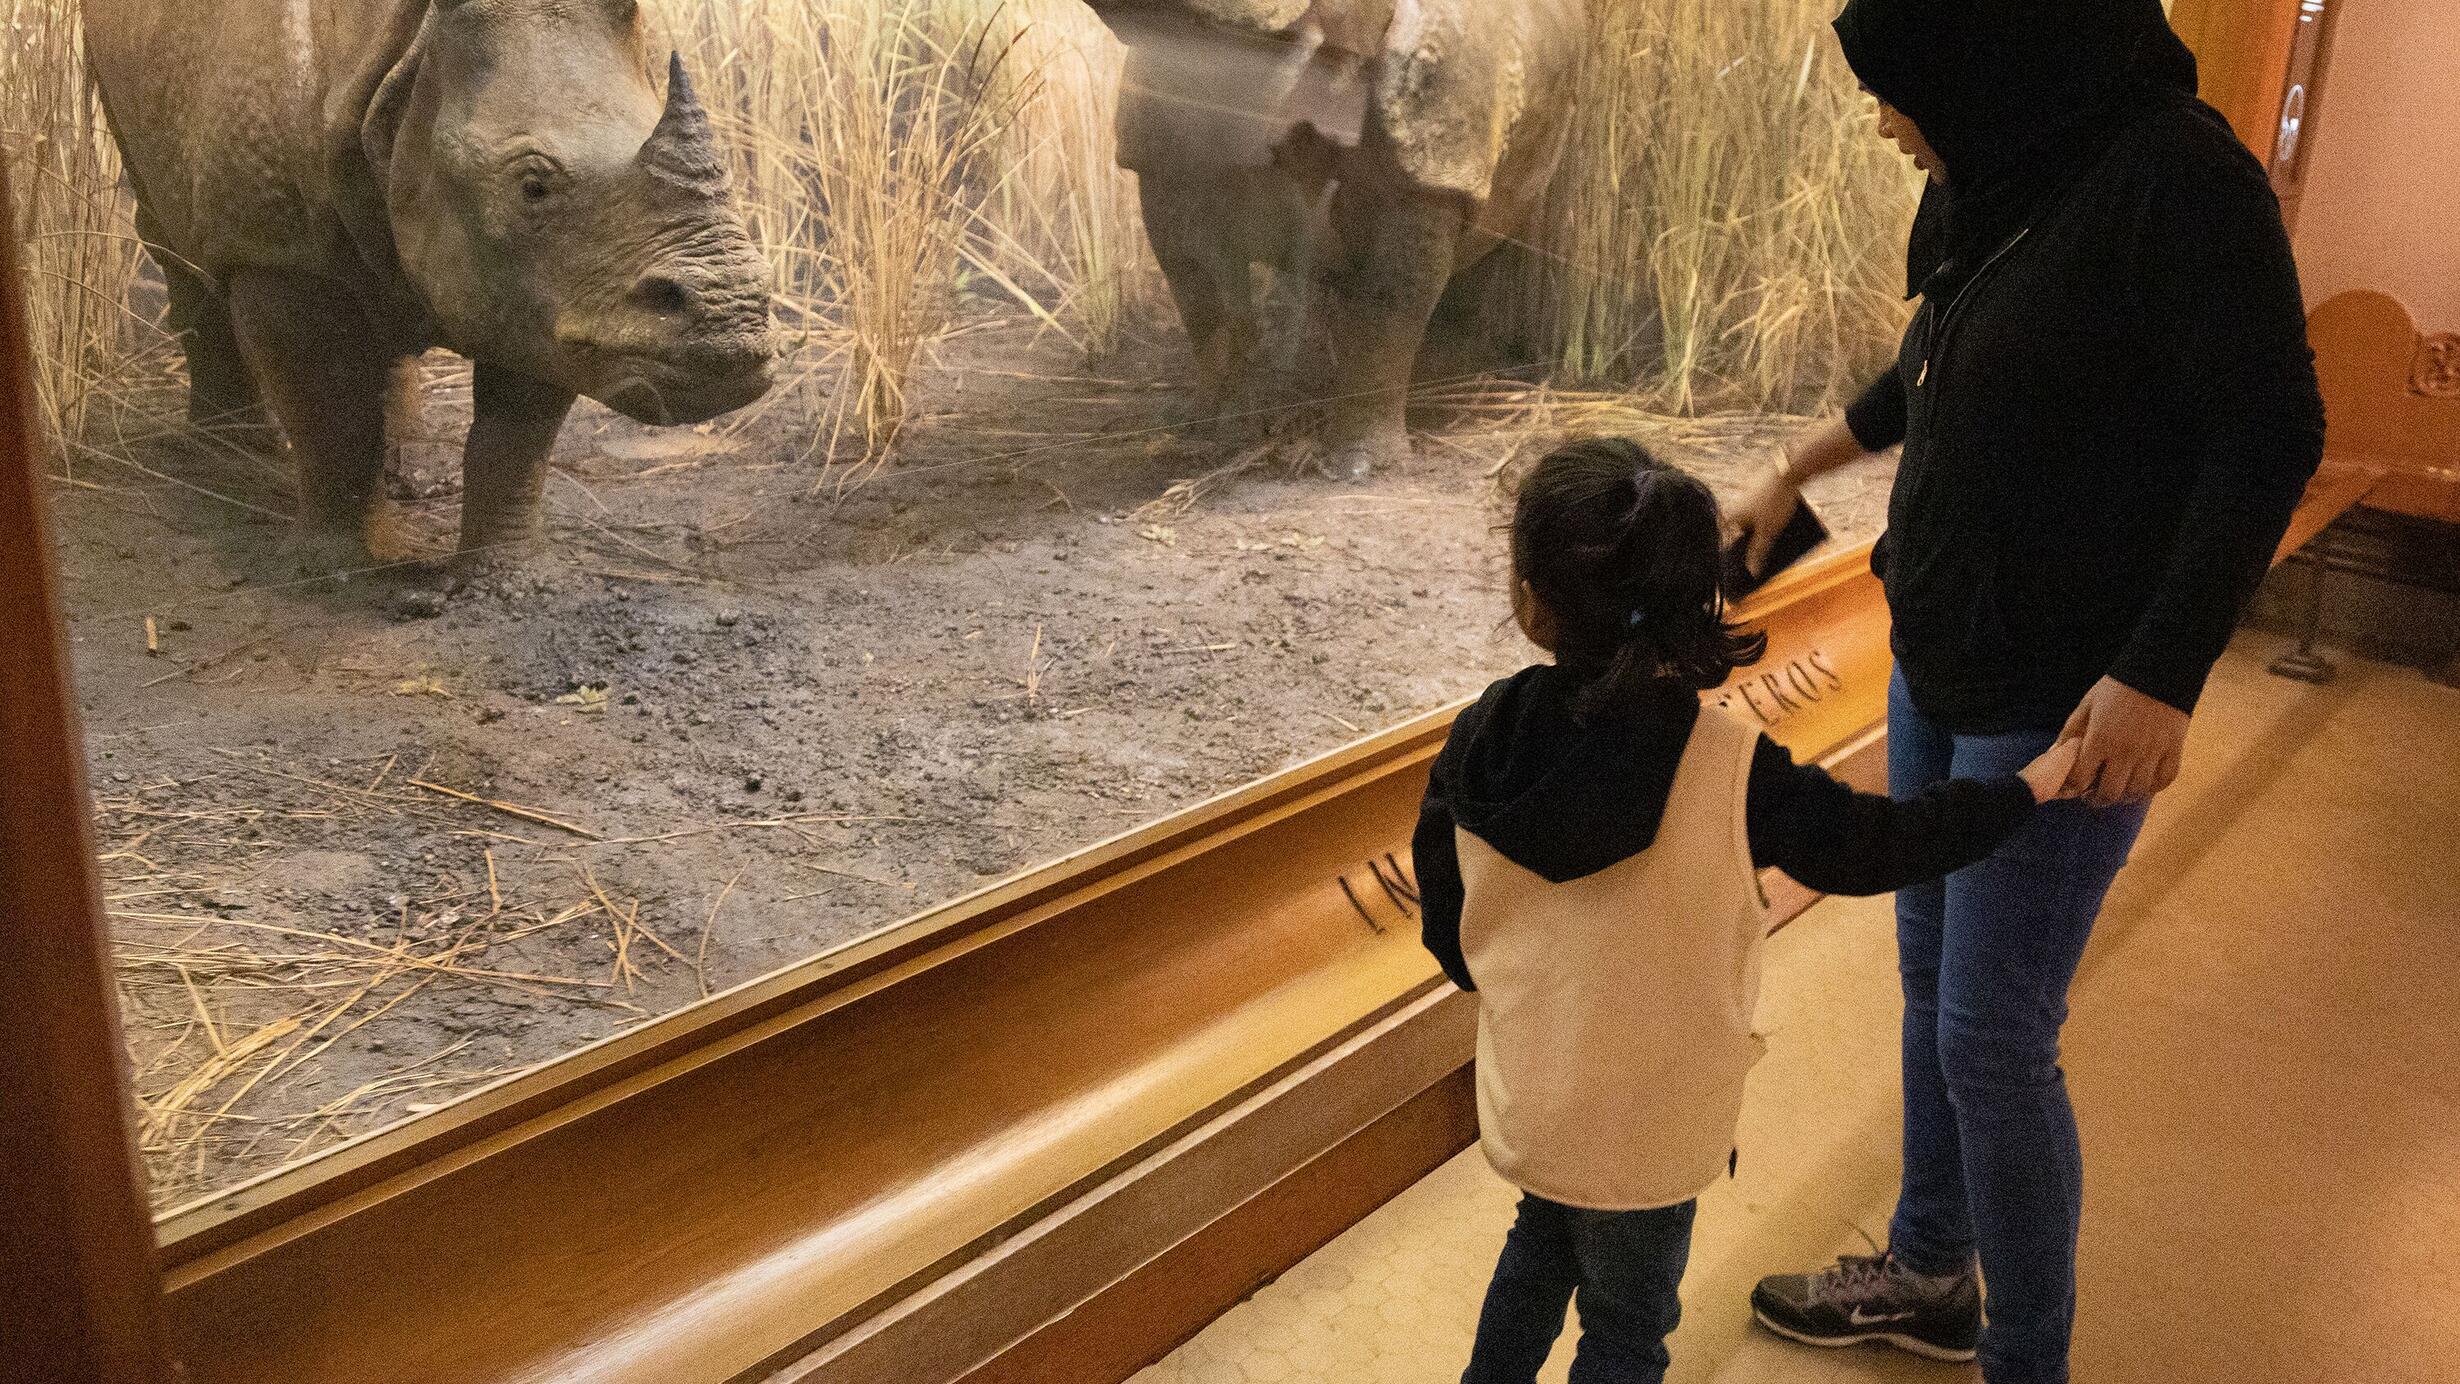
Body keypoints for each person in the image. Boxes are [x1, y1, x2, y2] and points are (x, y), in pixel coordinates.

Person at [1732, 3, 2327, 1381]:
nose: (1883, 121)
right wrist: (1793, 470)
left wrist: (2159, 677)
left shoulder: (2176, 178)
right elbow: (1933, 365)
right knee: (1936, 990)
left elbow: (2272, 427)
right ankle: (1933, 1271)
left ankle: (2027, 1357)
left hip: (2066, 696)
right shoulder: (2003, 169)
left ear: (1980, 59)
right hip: (1947, 658)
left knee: (1993, 1039)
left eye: (1898, 91)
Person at [1411, 437, 2082, 1384]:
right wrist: (2029, 786)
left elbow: (1448, 922)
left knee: (1535, 1254)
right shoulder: (1730, 767)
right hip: (1656, 1127)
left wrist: (1529, 994)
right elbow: (1881, 845)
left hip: (1536, 1097)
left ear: (1530, 596)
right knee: (1626, 1325)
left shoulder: (1478, 736)